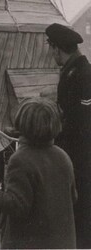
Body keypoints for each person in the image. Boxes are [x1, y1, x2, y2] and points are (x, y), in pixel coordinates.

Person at [0, 98, 76, 249]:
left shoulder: (20, 159)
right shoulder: (63, 156)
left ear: (22, 124)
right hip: (62, 242)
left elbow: (17, 206)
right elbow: (73, 197)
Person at [44, 23, 91, 248]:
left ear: (56, 48)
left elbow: (78, 120)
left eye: (51, 49)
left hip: (79, 155)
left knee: (80, 210)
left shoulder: (80, 74)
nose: (51, 55)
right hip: (79, 153)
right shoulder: (77, 70)